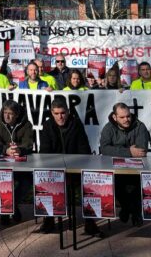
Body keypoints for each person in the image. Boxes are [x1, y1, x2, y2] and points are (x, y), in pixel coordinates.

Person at [38, 96, 100, 236]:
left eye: (63, 113)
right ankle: (49, 220)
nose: (60, 117)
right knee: (45, 180)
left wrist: (74, 164)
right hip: (55, 171)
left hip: (75, 170)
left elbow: (85, 150)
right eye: (57, 114)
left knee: (90, 184)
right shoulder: (47, 126)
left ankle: (90, 222)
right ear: (52, 113)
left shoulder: (76, 124)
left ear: (67, 111)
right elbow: (45, 153)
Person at [99, 102, 151, 226]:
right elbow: (105, 149)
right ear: (114, 117)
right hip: (115, 168)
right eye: (122, 117)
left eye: (128, 116)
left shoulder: (140, 126)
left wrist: (117, 150)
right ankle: (127, 208)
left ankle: (135, 212)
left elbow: (141, 151)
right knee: (116, 185)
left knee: (136, 186)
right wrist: (129, 151)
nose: (126, 119)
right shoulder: (108, 128)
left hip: (137, 167)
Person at [0, 99, 34, 225]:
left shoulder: (26, 125)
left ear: (17, 114)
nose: (7, 116)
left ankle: (12, 204)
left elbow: (28, 144)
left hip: (20, 163)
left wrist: (19, 149)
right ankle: (6, 211)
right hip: (2, 163)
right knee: (3, 182)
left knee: (27, 181)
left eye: (10, 113)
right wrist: (6, 150)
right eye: (5, 112)